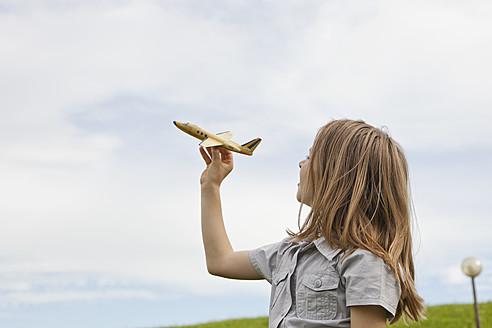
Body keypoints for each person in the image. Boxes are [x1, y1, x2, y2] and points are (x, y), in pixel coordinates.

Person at [199, 119, 425, 328]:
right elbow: (220, 261)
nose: (300, 163)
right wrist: (211, 186)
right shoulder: (287, 253)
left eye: (309, 156)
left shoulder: (364, 262)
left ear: (337, 172)